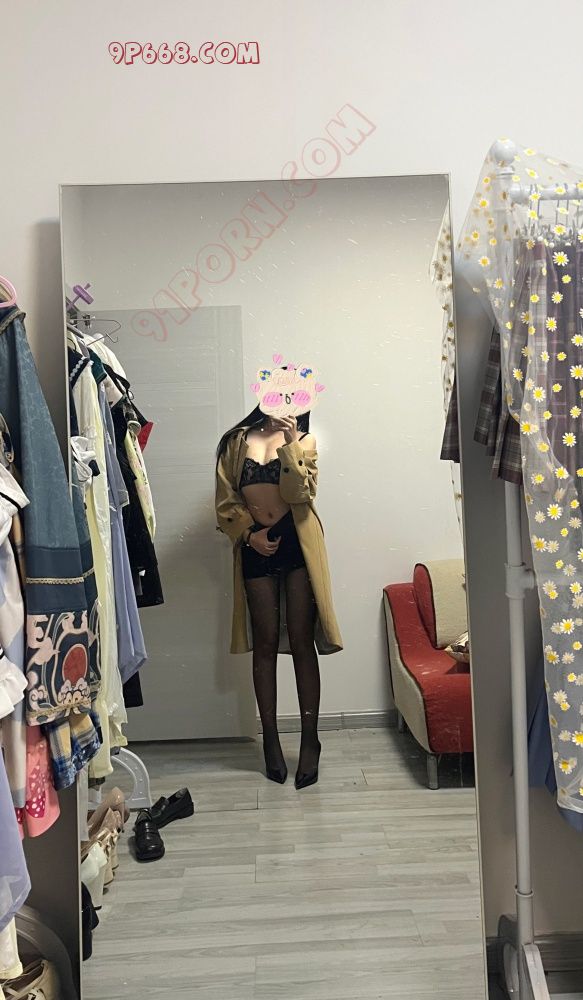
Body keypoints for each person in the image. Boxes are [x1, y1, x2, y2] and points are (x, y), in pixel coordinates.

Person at [215, 404, 342, 789]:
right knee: (265, 641)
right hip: (255, 543)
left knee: (302, 641)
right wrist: (247, 534)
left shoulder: (306, 441)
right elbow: (225, 502)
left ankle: (309, 740)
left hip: (298, 542)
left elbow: (300, 493)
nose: (283, 401)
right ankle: (269, 739)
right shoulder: (236, 442)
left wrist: (290, 443)